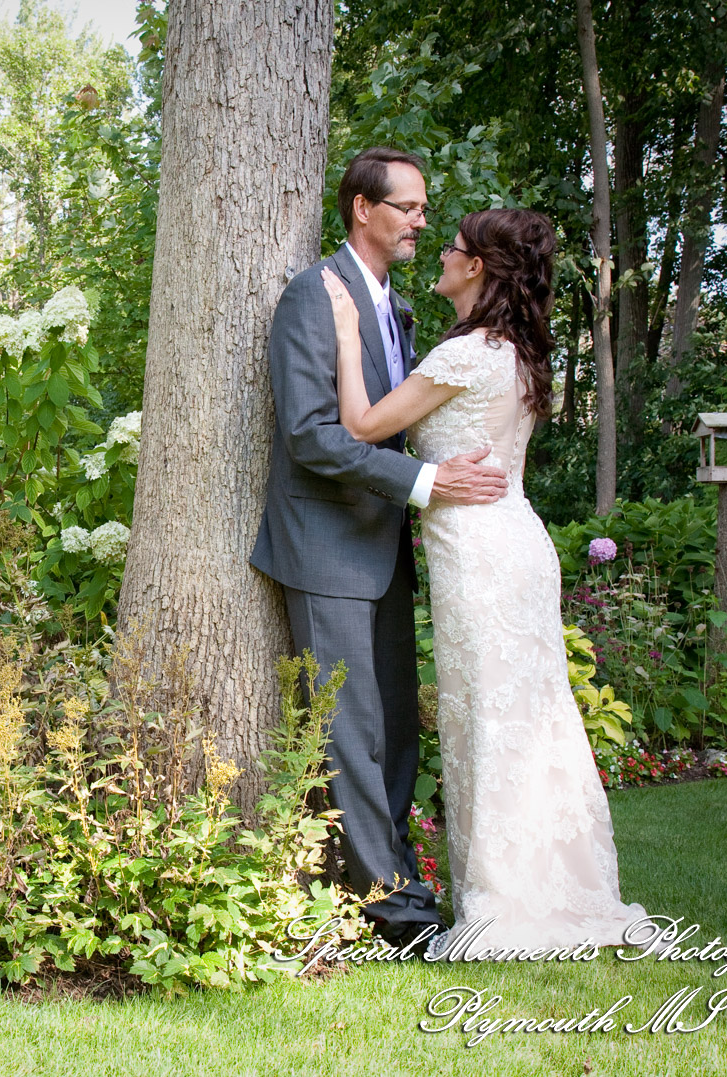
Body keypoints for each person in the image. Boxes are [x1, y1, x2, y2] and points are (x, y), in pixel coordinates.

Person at [320, 205, 648, 954]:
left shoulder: (469, 353)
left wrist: (345, 335)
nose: (441, 250)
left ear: (477, 269)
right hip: (520, 544)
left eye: (455, 246)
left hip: (479, 553)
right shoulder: (516, 352)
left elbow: (363, 425)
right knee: (528, 717)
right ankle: (551, 886)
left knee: (490, 722)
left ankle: (509, 901)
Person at [249, 147, 508, 944]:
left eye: (425, 210)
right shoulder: (311, 296)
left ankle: (387, 881)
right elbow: (311, 435)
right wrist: (426, 484)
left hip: (385, 548)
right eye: (409, 207)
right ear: (363, 209)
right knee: (350, 730)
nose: (422, 223)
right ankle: (397, 916)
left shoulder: (393, 306)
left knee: (397, 729)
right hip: (325, 546)